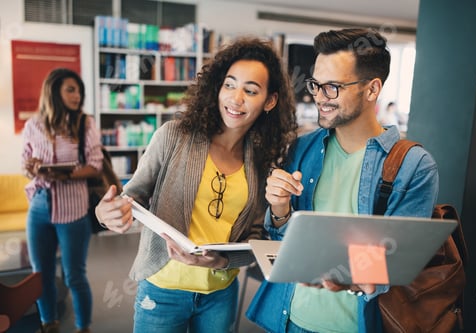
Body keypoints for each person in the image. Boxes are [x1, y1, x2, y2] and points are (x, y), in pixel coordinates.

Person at [95, 37, 297, 333]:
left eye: (250, 91)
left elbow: (257, 238)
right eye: (229, 84)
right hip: (162, 290)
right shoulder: (174, 136)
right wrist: (106, 213)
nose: (235, 98)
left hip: (219, 294)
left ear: (269, 101)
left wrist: (222, 260)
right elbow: (131, 197)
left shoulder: (263, 162)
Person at [246, 28, 439, 333]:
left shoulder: (413, 166)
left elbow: (401, 262)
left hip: (355, 325)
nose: (319, 97)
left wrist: (348, 276)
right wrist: (280, 208)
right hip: (289, 319)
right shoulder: (303, 148)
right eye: (316, 84)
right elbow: (282, 242)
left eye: (332, 87)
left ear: (372, 90)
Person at [22, 68, 103, 333]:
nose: (77, 95)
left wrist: (64, 173)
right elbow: (26, 164)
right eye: (71, 89)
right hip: (39, 206)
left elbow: (95, 166)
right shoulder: (32, 125)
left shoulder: (85, 124)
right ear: (54, 91)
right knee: (40, 274)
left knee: (74, 276)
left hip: (74, 208)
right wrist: (33, 167)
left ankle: (84, 328)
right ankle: (49, 323)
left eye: (79, 90)